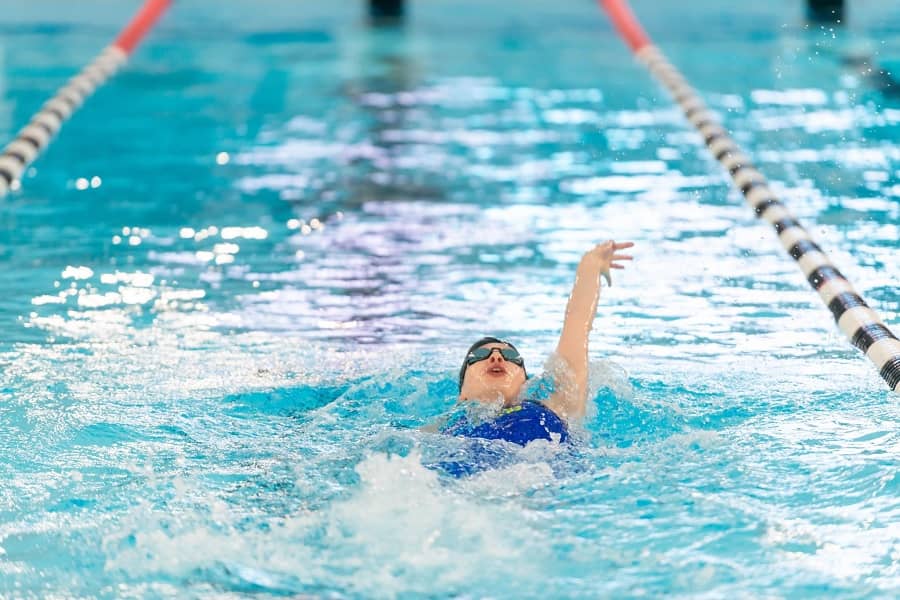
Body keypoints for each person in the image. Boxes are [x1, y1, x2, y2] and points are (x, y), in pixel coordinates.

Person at [442, 240, 634, 446]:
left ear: (525, 383)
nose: (496, 357)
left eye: (510, 357)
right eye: (480, 356)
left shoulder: (558, 405)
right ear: (461, 393)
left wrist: (589, 266)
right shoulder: (441, 430)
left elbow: (577, 327)